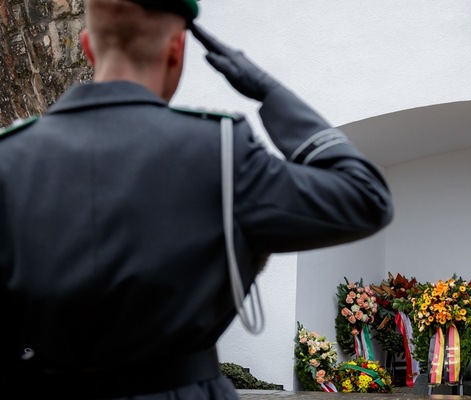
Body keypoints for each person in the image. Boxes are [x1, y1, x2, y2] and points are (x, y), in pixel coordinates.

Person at [0, 0, 392, 398]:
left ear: (87, 46)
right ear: (176, 48)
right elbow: (365, 198)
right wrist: (270, 92)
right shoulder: (222, 150)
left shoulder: (9, 159)